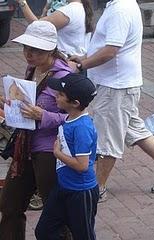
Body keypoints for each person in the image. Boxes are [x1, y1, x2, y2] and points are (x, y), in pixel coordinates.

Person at [69, 0, 154, 202]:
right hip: (120, 85)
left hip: (115, 86)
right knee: (134, 129)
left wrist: (82, 65)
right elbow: (106, 46)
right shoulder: (120, 5)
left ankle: (98, 189)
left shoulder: (120, 9)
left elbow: (111, 50)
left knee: (108, 140)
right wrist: (84, 56)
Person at [0, 20, 73, 240]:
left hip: (50, 150)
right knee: (10, 204)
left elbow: (75, 117)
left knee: (55, 210)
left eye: (35, 49)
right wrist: (10, 105)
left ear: (50, 49)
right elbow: (28, 104)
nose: (28, 54)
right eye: (26, 48)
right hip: (26, 146)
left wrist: (43, 116)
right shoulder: (33, 69)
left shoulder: (63, 76)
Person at [35, 73, 99, 240]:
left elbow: (82, 165)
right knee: (44, 230)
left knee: (83, 236)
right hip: (64, 187)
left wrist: (57, 154)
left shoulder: (82, 127)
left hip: (81, 192)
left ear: (75, 103)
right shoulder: (69, 118)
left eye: (61, 94)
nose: (56, 96)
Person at [16, 0, 94, 57]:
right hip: (74, 60)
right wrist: (46, 10)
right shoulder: (81, 6)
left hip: (65, 62)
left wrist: (23, 3)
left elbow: (36, 26)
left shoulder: (69, 10)